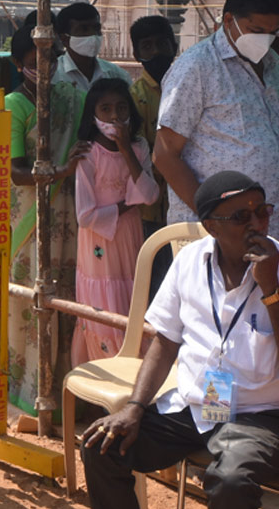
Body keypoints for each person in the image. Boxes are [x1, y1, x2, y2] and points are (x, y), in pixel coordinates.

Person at [80, 170, 279, 509]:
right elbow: (166, 342)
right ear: (212, 227)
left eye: (262, 212)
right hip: (195, 405)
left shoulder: (275, 266)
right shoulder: (189, 261)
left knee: (230, 481)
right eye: (241, 216)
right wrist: (134, 407)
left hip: (258, 412)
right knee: (102, 445)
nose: (256, 224)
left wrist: (270, 288)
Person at [4, 25, 88, 422]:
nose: (47, 66)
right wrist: (63, 169)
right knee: (30, 303)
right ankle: (28, 397)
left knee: (66, 300)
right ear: (19, 64)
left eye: (52, 58)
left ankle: (66, 390)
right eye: (36, 60)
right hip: (30, 217)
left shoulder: (69, 98)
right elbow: (18, 171)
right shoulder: (14, 106)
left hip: (67, 216)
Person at [155, 0, 279, 237]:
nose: (264, 40)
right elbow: (165, 155)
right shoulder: (196, 67)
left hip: (268, 227)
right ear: (228, 20)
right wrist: (212, 217)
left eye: (273, 32)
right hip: (216, 233)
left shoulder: (273, 64)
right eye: (256, 31)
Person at [72, 77, 159, 364]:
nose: (114, 117)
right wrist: (124, 206)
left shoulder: (139, 147)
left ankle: (133, 373)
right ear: (93, 113)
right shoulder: (87, 153)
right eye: (106, 109)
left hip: (129, 238)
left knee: (130, 296)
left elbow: (148, 195)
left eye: (121, 108)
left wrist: (125, 149)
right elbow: (85, 216)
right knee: (104, 304)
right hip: (98, 245)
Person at [128, 14, 179, 291]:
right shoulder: (133, 97)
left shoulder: (186, 87)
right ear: (136, 53)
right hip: (146, 210)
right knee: (152, 279)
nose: (156, 52)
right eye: (147, 46)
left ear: (175, 46)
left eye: (162, 44)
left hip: (181, 199)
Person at [51, 2, 130, 93]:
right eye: (84, 29)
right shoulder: (53, 76)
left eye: (96, 29)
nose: (93, 35)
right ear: (64, 38)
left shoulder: (117, 75)